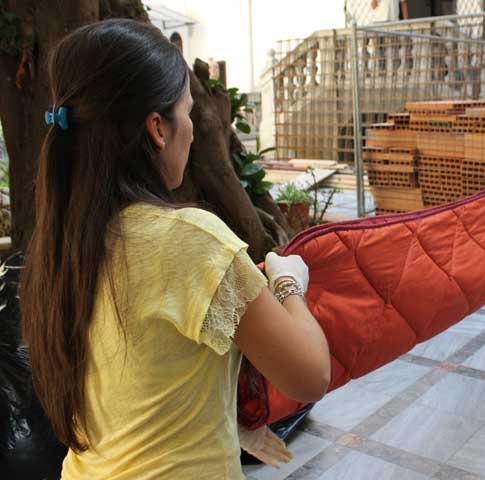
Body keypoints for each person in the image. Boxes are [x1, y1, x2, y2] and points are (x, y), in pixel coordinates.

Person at [20, 19, 330, 479]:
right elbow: (309, 376)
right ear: (157, 128)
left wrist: (226, 422)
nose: (192, 128)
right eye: (187, 112)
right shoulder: (189, 240)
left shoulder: (60, 247)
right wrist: (289, 284)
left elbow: (135, 381)